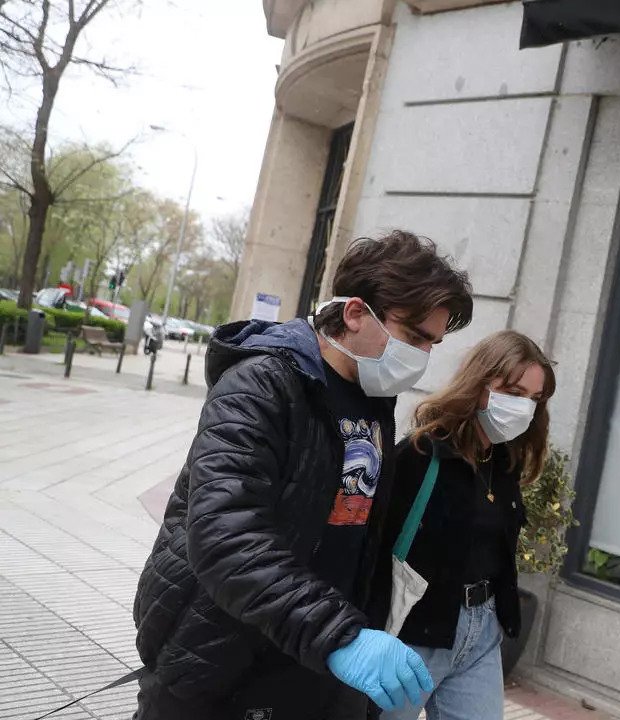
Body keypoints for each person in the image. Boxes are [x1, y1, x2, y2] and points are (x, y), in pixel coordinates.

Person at [132, 230, 473, 720]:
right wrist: (340, 636)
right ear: (355, 313)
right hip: (218, 658)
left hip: (310, 662)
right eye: (415, 336)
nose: (422, 356)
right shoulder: (260, 384)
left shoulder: (374, 397)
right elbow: (224, 535)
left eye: (432, 344)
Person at [370, 330, 556, 720]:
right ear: (480, 383)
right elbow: (374, 547)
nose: (524, 407)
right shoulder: (421, 454)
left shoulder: (504, 462)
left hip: (482, 630)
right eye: (514, 392)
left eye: (534, 399)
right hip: (415, 632)